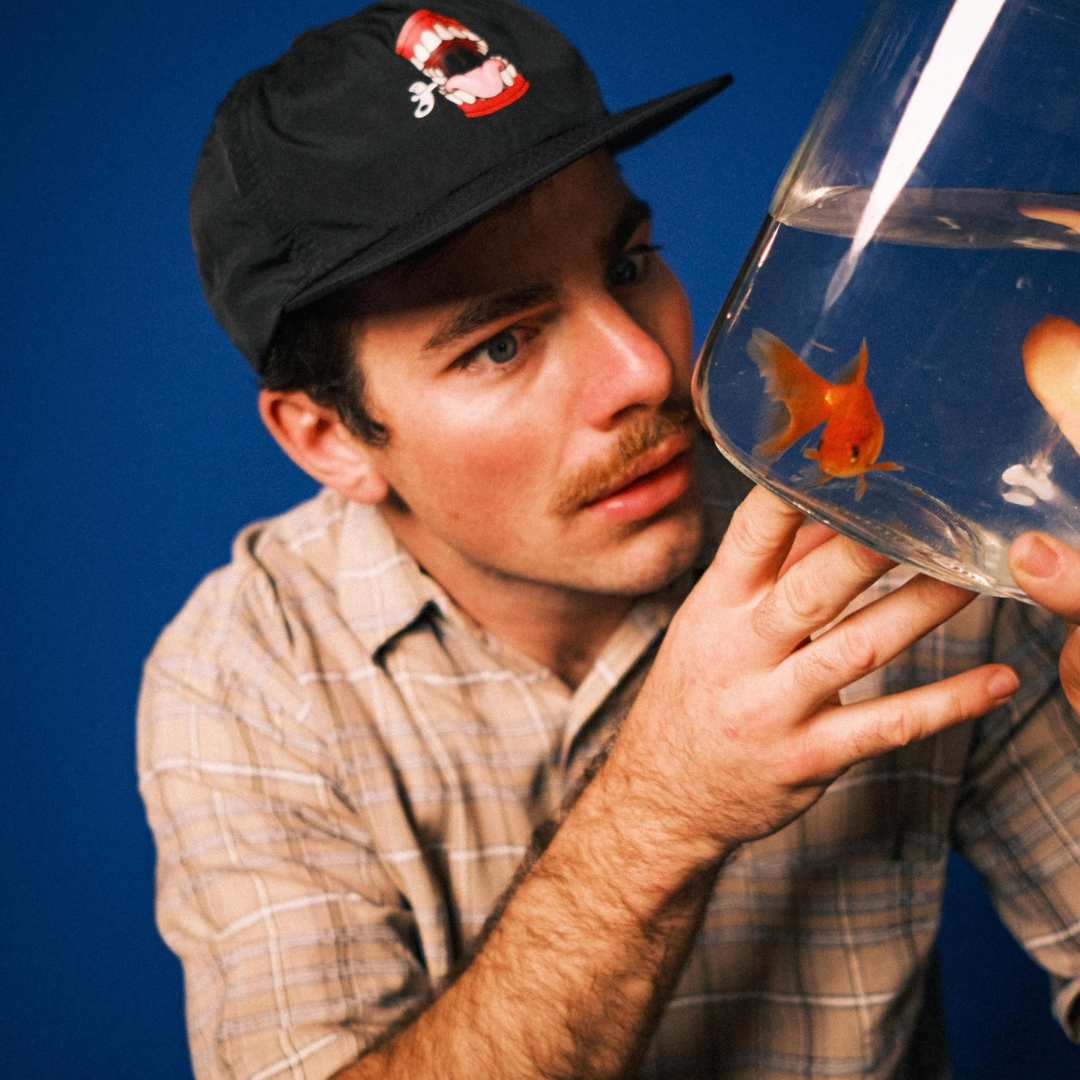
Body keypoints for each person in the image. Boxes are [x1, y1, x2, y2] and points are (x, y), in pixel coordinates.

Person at [136, 2, 1080, 1078]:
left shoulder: (879, 538)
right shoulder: (248, 676)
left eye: (630, 266)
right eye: (501, 345)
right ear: (331, 438)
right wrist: (663, 812)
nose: (645, 369)